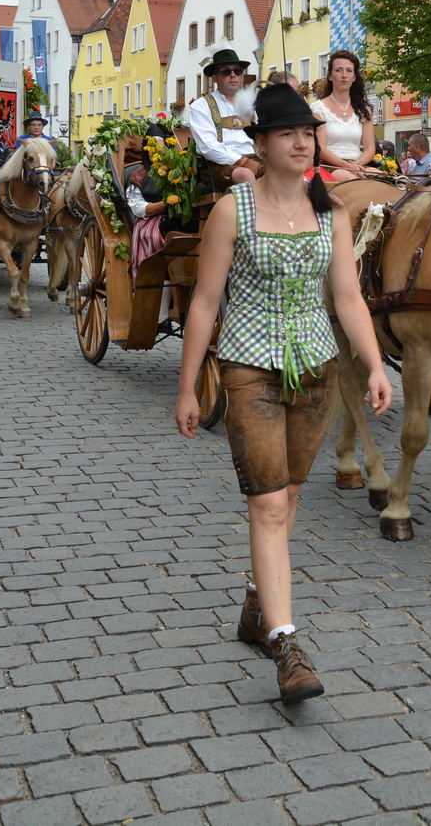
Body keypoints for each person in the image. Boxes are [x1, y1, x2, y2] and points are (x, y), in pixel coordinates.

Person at [175, 83, 391, 705]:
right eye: (287, 135)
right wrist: (189, 386)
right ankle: (287, 644)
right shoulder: (232, 212)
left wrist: (375, 365)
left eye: (307, 134)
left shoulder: (332, 213)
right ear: (262, 143)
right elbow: (206, 303)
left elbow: (348, 297)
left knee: (290, 495)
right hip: (250, 372)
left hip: (317, 372)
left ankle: (255, 602)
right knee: (268, 507)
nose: (301, 144)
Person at [187, 50, 261, 188]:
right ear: (215, 78)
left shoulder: (253, 103)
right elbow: (208, 147)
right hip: (219, 164)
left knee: (287, 169)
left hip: (255, 158)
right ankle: (256, 209)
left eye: (237, 71)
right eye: (226, 72)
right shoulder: (202, 105)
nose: (233, 75)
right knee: (245, 175)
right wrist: (241, 161)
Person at [309, 50, 375, 180]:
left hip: (358, 164)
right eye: (338, 70)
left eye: (349, 71)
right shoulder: (318, 109)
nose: (344, 75)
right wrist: (346, 166)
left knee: (388, 181)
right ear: (330, 76)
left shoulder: (364, 110)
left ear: (354, 77)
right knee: (352, 181)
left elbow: (370, 148)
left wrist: (356, 164)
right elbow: (321, 148)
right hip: (330, 166)